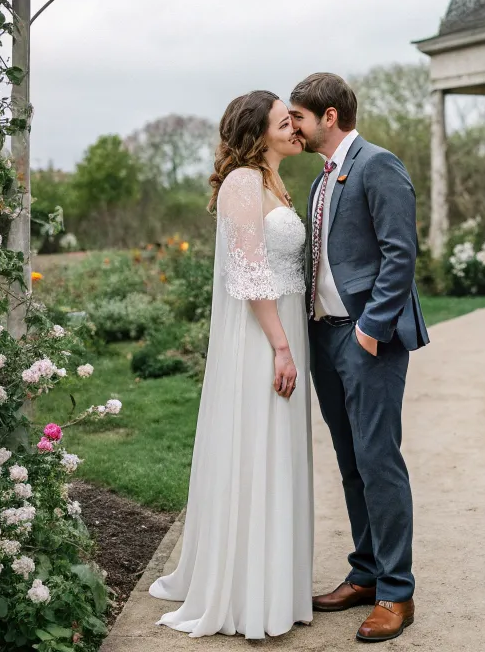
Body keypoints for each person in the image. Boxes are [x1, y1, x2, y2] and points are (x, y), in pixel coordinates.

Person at [149, 91, 313, 638]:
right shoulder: (243, 182)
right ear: (257, 132)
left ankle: (277, 584)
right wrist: (281, 346)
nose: (294, 129)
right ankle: (247, 594)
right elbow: (249, 272)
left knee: (279, 451)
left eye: (293, 121)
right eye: (284, 122)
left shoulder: (274, 180)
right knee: (257, 446)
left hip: (284, 325)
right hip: (263, 334)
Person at [289, 72, 429, 644]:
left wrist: (371, 327)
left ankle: (397, 592)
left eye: (298, 116)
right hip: (324, 337)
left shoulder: (378, 164)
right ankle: (366, 573)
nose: (292, 127)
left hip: (367, 337)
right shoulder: (322, 178)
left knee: (378, 460)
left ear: (328, 116)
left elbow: (401, 253)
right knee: (350, 461)